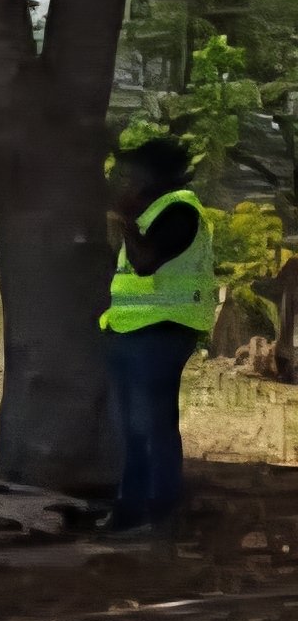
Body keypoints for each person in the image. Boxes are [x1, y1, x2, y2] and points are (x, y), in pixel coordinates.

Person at [102, 136, 212, 532]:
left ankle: (158, 515)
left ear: (153, 174)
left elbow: (146, 262)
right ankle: (131, 513)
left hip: (162, 333)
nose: (125, 177)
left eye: (131, 170)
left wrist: (125, 220)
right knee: (136, 429)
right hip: (135, 331)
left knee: (152, 427)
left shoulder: (180, 209)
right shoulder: (153, 211)